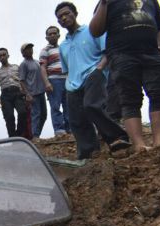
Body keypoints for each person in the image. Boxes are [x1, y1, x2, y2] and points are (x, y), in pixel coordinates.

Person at [55, 2, 131, 159]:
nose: (63, 17)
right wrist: (68, 84)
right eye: (60, 17)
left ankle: (117, 137)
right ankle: (89, 153)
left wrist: (99, 70)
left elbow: (106, 52)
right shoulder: (62, 46)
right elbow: (67, 69)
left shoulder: (91, 31)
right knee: (76, 120)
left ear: (75, 13)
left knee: (91, 105)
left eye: (66, 13)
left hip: (93, 73)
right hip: (73, 84)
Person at [90, 0, 160, 152]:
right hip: (122, 55)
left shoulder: (150, 1)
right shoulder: (107, 2)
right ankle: (139, 145)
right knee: (129, 98)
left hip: (152, 53)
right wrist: (104, 4)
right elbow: (95, 30)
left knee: (159, 94)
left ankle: (159, 142)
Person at [39, 25, 70, 136]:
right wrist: (47, 83)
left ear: (58, 35)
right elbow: (42, 67)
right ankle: (59, 130)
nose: (52, 35)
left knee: (68, 105)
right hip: (54, 80)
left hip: (66, 79)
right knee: (55, 106)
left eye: (54, 33)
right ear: (46, 37)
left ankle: (69, 128)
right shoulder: (45, 50)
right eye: (49, 34)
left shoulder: (63, 47)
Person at [0, 48, 29, 138]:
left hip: (17, 93)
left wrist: (26, 93)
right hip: (5, 95)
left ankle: (18, 134)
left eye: (4, 55)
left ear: (8, 55)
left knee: (23, 112)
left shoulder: (16, 67)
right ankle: (12, 138)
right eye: (0, 56)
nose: (2, 57)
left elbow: (22, 81)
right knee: (9, 117)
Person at [19, 43, 48, 138]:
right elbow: (22, 81)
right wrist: (27, 94)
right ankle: (35, 136)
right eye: (27, 49)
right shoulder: (23, 64)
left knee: (44, 114)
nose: (30, 50)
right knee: (36, 115)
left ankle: (37, 134)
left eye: (31, 48)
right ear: (23, 53)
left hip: (41, 92)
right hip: (33, 93)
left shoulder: (37, 62)